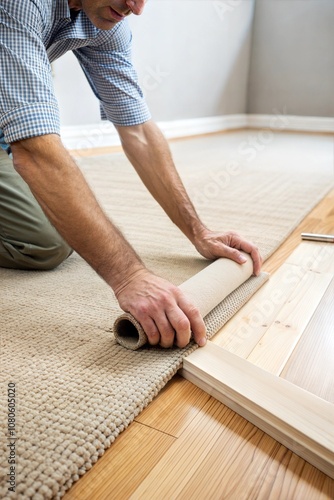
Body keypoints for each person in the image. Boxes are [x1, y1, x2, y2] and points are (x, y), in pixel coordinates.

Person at [0, 0, 262, 349]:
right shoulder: (18, 5)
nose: (136, 8)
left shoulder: (104, 17)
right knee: (44, 243)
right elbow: (35, 154)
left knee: (48, 231)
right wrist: (130, 277)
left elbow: (138, 130)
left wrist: (198, 231)